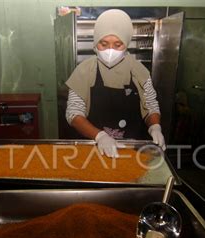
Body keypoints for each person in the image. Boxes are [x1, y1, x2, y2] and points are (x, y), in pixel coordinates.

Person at [65, 9, 166, 158]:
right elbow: (73, 113)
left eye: (118, 45)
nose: (110, 50)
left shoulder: (139, 71)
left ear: (126, 43)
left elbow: (150, 105)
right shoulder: (84, 71)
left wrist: (155, 126)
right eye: (104, 44)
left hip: (131, 148)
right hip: (95, 147)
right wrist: (100, 136)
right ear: (95, 42)